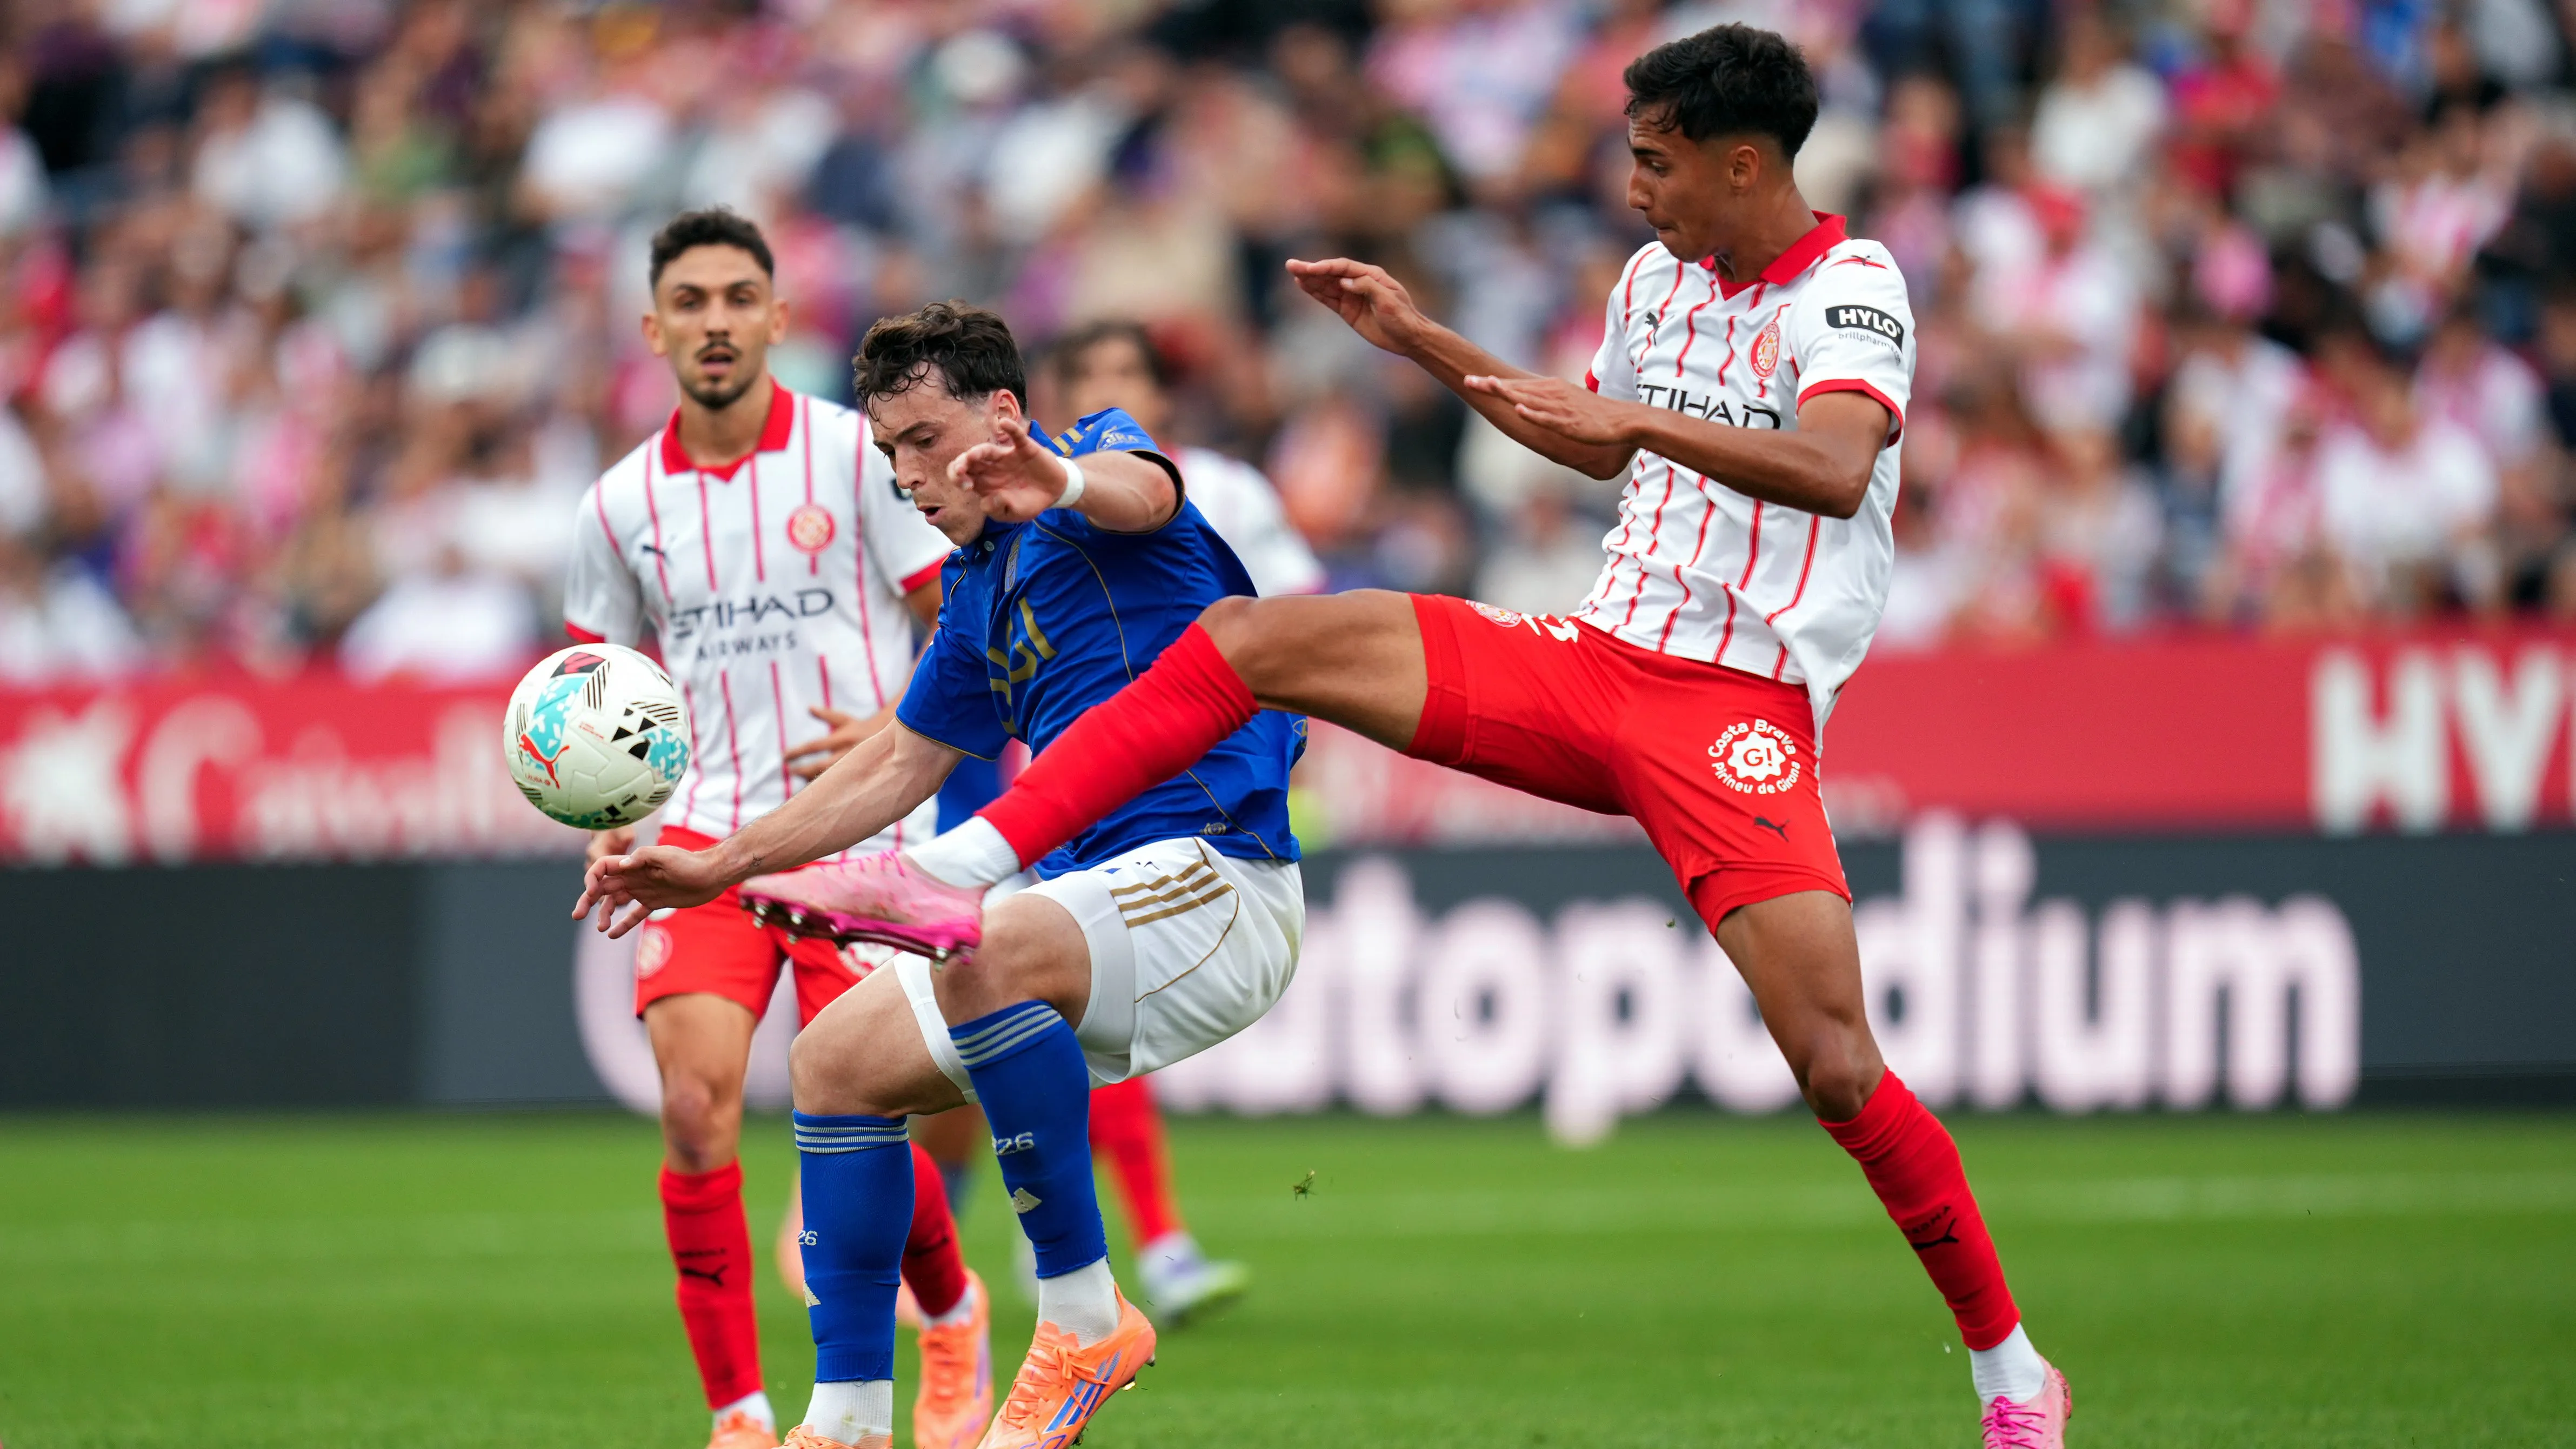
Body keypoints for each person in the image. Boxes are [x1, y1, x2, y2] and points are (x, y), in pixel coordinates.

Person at [712, 26, 2072, 1448]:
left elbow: (1831, 466)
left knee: (1835, 1067)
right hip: (1593, 659)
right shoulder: (1655, 283)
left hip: (1735, 705)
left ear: (1744, 163)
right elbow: (1587, 439)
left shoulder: (1851, 287)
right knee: (1250, 643)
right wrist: (1419, 338)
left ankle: (2008, 1372)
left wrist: (1625, 421)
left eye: (1653, 162)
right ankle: (972, 866)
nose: (1631, 187)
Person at [574, 301, 1307, 1449]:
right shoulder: (974, 596)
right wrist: (714, 864)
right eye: (888, 452)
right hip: (1084, 910)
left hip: (1215, 877)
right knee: (834, 1060)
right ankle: (851, 1414)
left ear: (1004, 414)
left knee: (975, 938)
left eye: (923, 440)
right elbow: (899, 760)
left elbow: (1145, 493)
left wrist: (1055, 479)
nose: (907, 474)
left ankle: (1081, 1313)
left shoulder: (1095, 465)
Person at [559, 209, 991, 1449]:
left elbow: (956, 609)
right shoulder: (616, 504)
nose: (713, 321)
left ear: (776, 318)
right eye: (688, 300)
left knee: (858, 1104)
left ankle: (952, 1306)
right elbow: (600, 691)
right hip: (700, 840)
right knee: (697, 1107)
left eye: (737, 297)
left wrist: (896, 722)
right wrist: (609, 810)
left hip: (847, 836)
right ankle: (741, 1413)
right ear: (653, 328)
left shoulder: (859, 455)